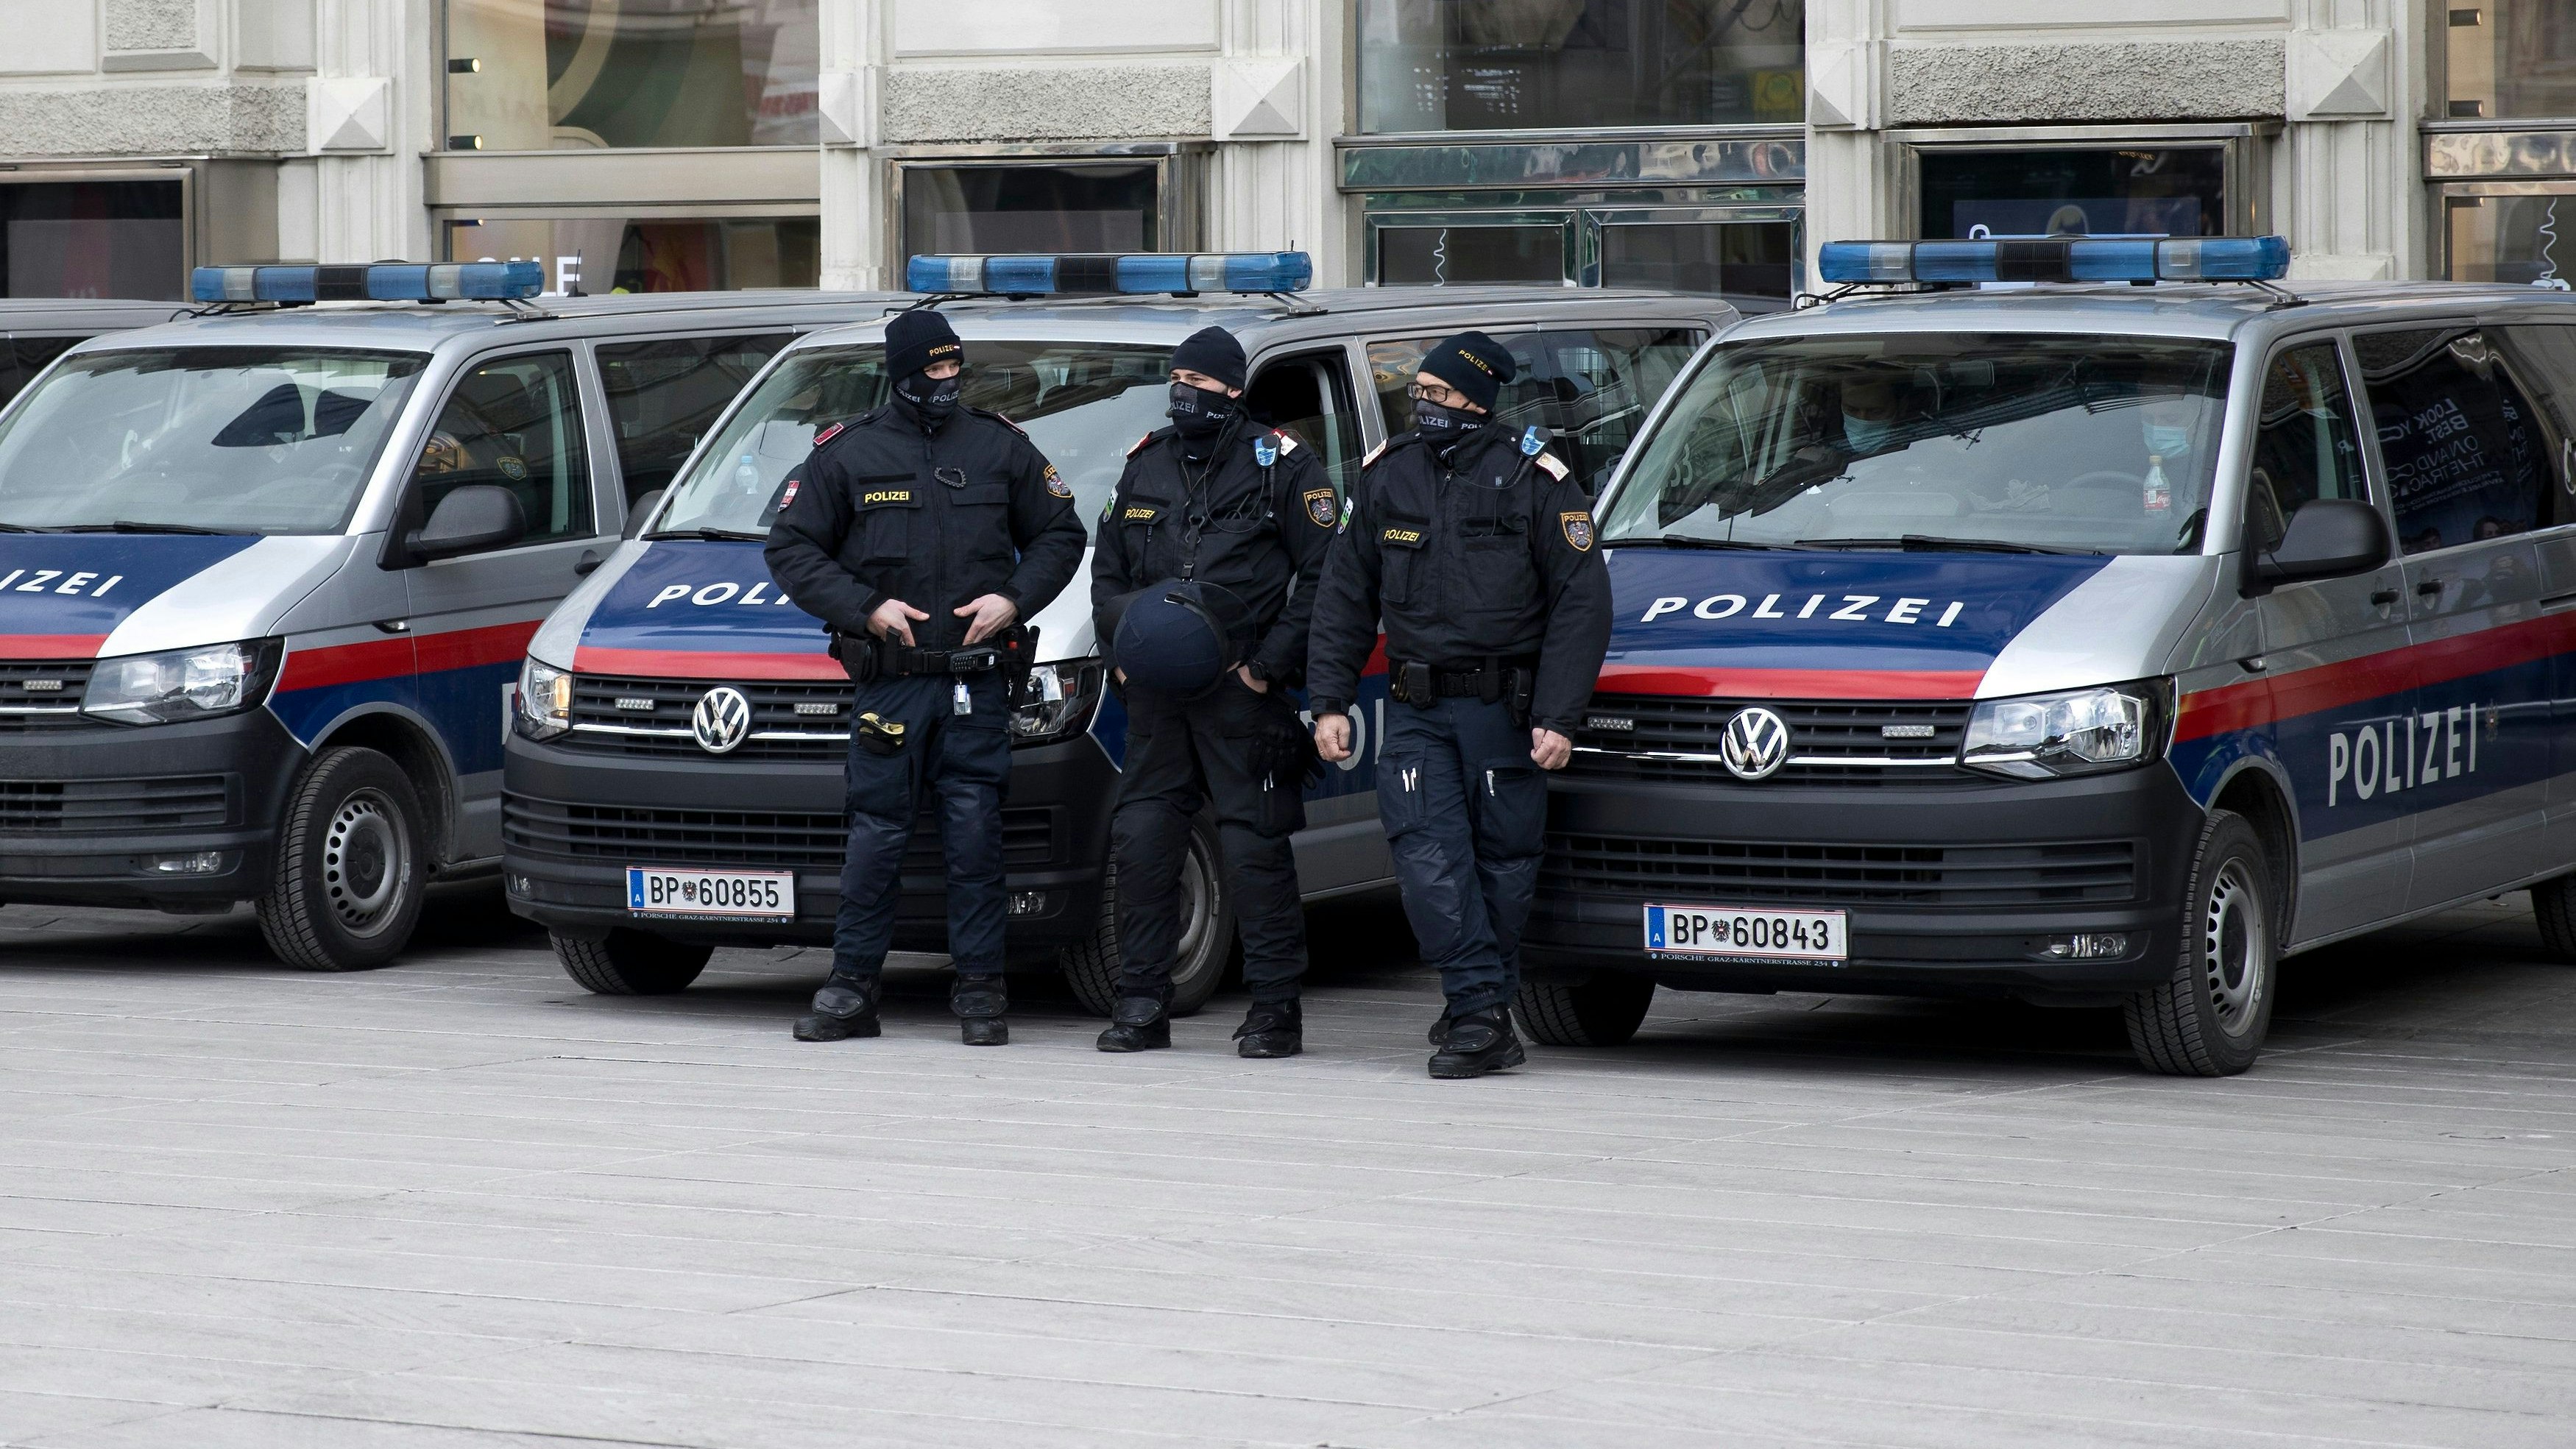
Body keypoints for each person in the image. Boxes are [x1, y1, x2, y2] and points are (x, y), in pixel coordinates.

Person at [765, 308, 1086, 1046]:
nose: (945, 382)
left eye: (953, 369)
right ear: (901, 374)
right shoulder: (845, 455)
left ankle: (979, 993)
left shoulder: (999, 446)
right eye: (931, 371)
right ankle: (850, 992)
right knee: (876, 837)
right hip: (892, 683)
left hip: (976, 682)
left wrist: (1013, 599)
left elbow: (1058, 534)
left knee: (974, 837)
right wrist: (864, 605)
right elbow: (791, 548)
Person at [1304, 331, 1612, 1079]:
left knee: (1501, 865)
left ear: (1477, 399)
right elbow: (1344, 594)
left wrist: (1558, 714)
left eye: (1438, 395)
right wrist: (1329, 701)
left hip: (1502, 711)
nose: (1424, 407)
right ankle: (1478, 1008)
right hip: (1414, 709)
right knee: (1425, 857)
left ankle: (1476, 1006)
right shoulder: (1389, 477)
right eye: (1419, 394)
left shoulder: (1534, 478)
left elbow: (1581, 602)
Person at [1089, 326, 1338, 1057]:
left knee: (1253, 850)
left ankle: (1273, 1010)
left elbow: (1327, 576)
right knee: (1141, 843)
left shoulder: (1284, 466)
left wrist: (1267, 665)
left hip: (1242, 693)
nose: (1182, 394)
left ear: (1233, 389)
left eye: (1197, 382)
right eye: (1176, 381)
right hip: (1157, 699)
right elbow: (1108, 574)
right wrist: (1125, 649)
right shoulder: (1147, 464)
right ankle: (1140, 1001)